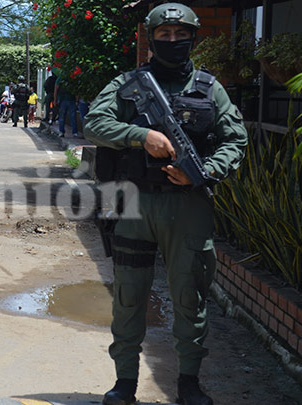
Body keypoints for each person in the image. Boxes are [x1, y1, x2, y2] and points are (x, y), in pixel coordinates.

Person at [84, 4, 248, 405]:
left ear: (193, 37)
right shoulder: (128, 83)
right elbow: (94, 123)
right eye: (164, 34)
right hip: (135, 206)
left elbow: (236, 139)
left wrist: (203, 171)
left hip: (187, 207)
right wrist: (141, 136)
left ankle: (188, 382)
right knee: (128, 296)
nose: (172, 41)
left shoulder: (210, 89)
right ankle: (125, 383)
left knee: (189, 298)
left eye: (180, 34)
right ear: (151, 37)